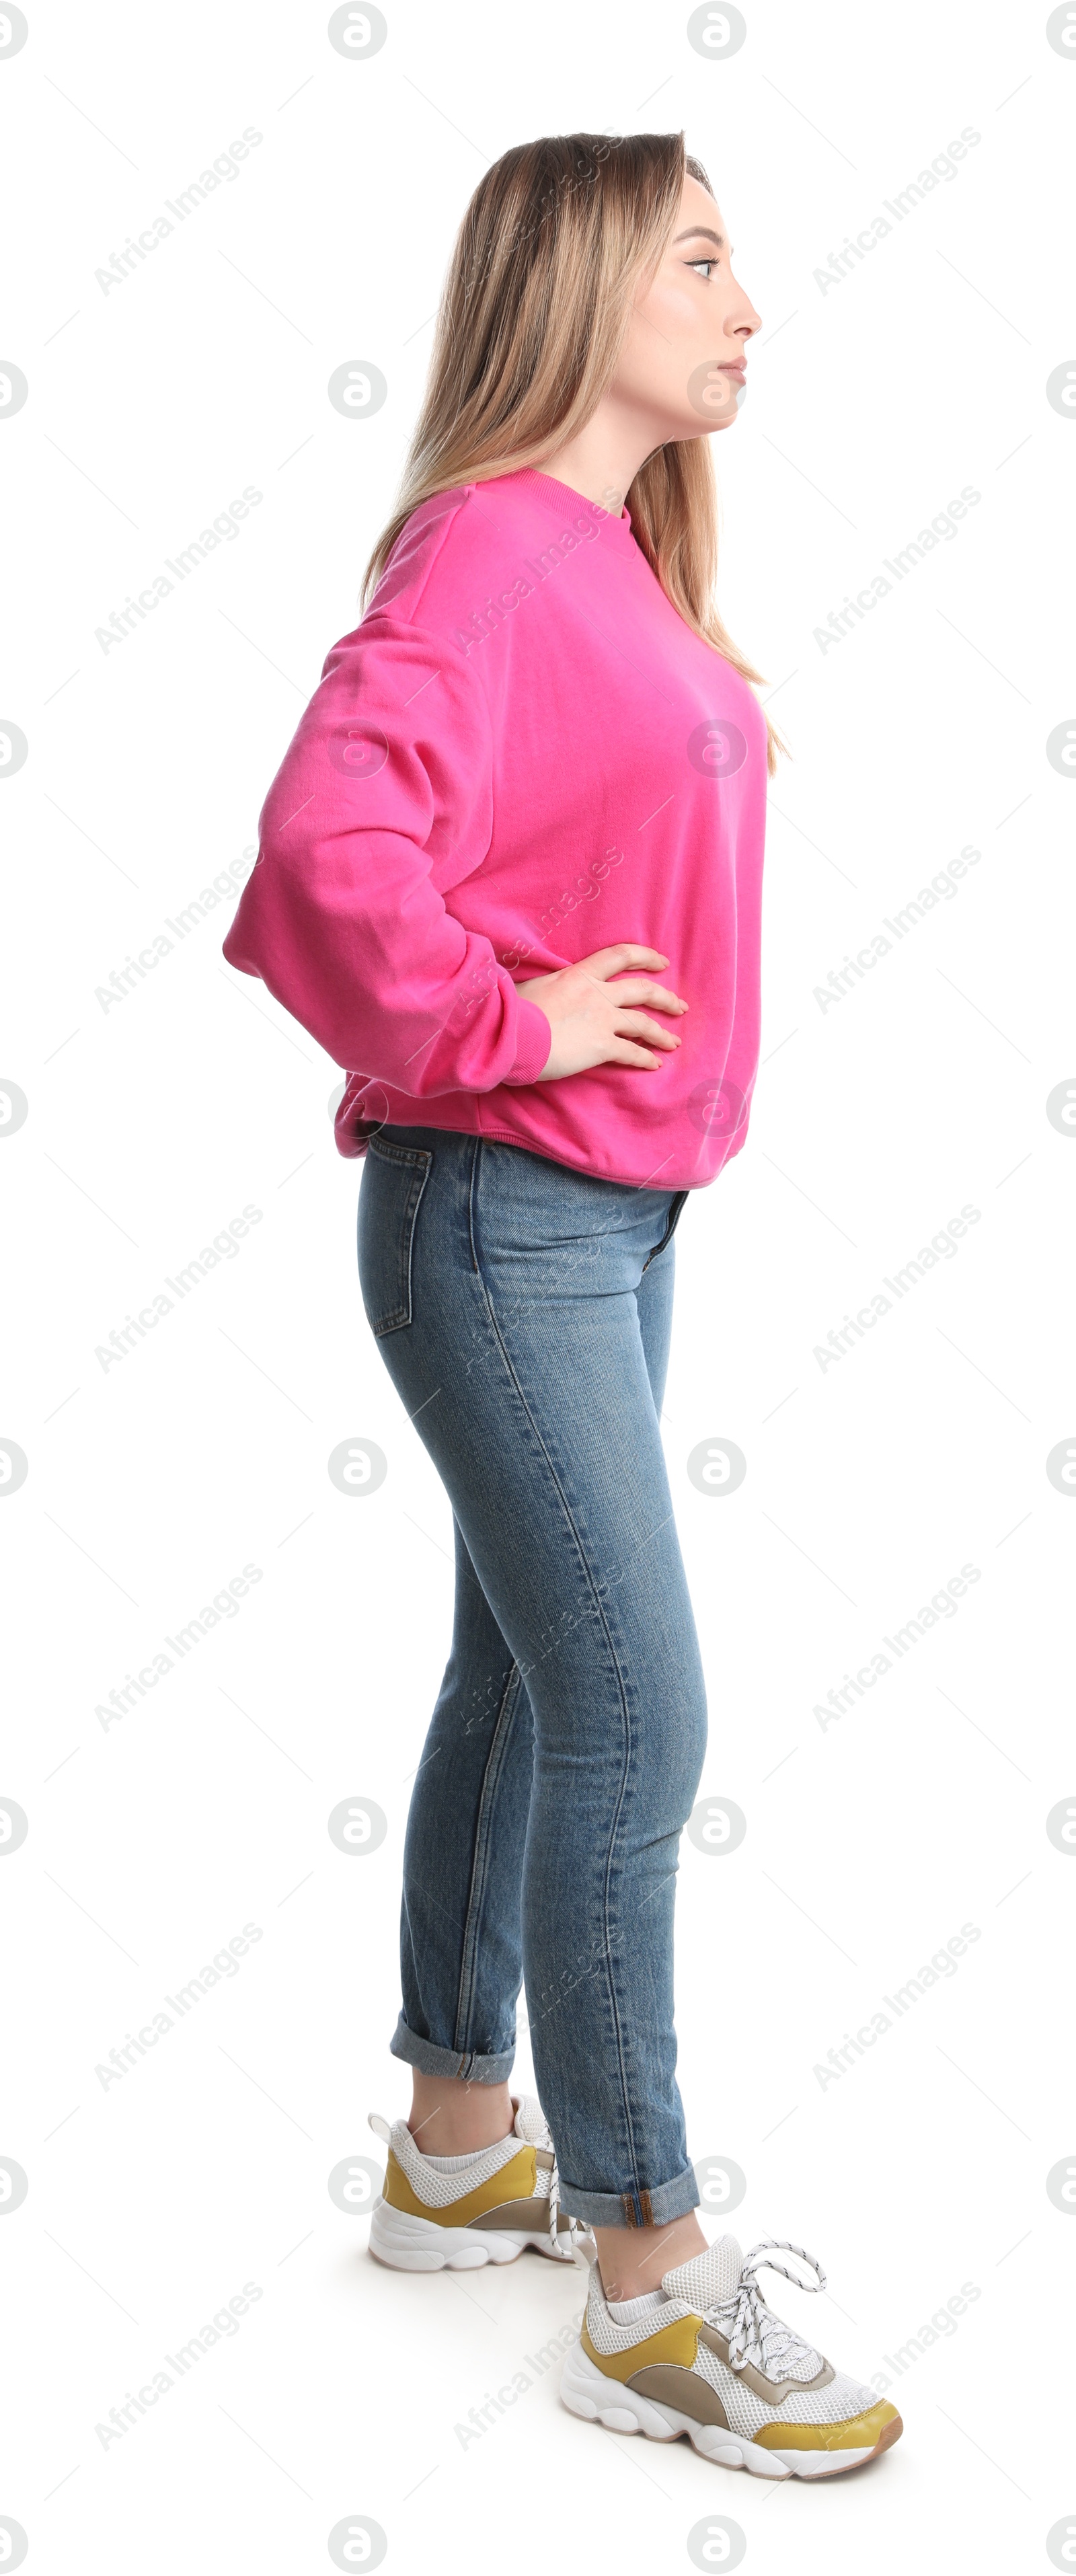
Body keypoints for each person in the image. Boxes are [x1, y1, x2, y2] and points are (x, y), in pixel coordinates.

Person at [223, 129, 902, 2481]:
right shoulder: (499, 543)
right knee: (638, 1710)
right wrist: (507, 1025)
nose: (746, 299)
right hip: (504, 1206)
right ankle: (643, 2274)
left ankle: (448, 2145)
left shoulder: (602, 552)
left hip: (599, 1219)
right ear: (585, 273)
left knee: (523, 1675)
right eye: (701, 256)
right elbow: (330, 846)